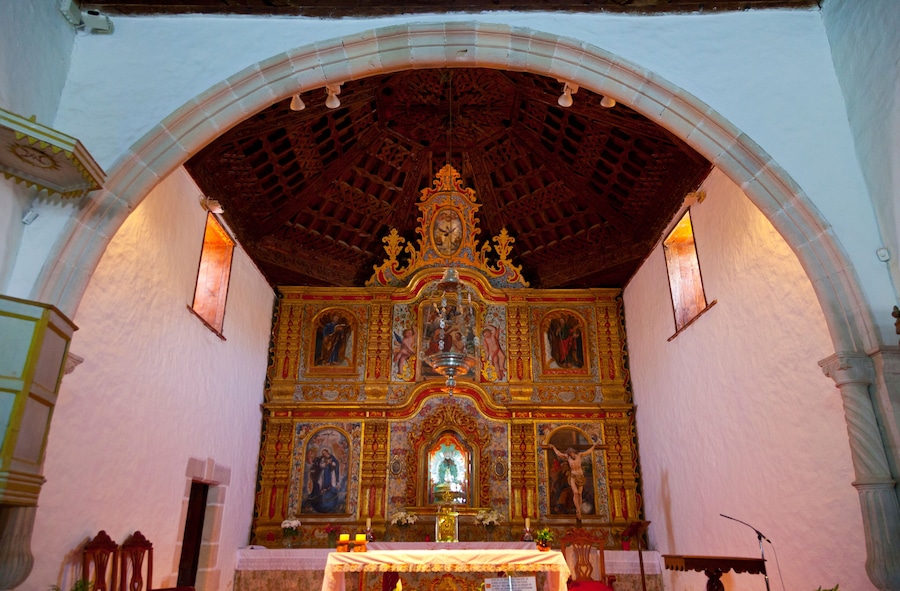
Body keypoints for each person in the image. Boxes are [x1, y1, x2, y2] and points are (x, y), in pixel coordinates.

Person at [544, 440, 603, 519]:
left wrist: (594, 446)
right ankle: (578, 510)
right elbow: (559, 454)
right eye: (570, 454)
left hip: (580, 476)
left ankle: (579, 509)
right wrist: (553, 447)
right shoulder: (568, 457)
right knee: (575, 492)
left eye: (572, 453)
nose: (571, 455)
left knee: (579, 493)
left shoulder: (579, 455)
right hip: (573, 476)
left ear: (574, 452)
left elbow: (588, 452)